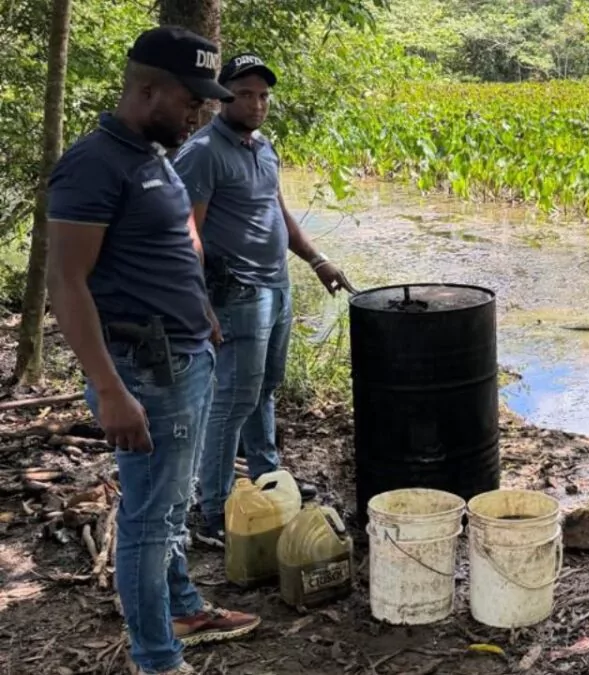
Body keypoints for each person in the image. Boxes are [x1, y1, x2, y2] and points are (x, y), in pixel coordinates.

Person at [45, 26, 262, 675]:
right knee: (147, 520)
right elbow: (67, 281)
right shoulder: (94, 163)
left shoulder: (155, 152)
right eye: (190, 98)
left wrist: (200, 311)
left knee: (167, 508)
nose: (200, 111)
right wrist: (109, 387)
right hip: (144, 371)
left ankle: (184, 606)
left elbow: (172, 242)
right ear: (146, 90)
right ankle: (158, 659)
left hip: (186, 357)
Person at [172, 52, 356, 547]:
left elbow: (277, 212)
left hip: (275, 284)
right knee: (232, 399)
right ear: (223, 97)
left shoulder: (262, 148)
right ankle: (213, 508)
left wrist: (316, 260)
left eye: (263, 95)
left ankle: (268, 480)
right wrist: (199, 301)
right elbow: (187, 232)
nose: (256, 104)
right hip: (236, 292)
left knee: (265, 387)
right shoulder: (204, 152)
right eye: (245, 94)